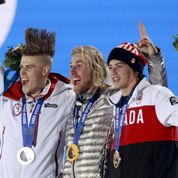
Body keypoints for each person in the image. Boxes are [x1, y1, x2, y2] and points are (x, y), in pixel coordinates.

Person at [0, 28, 75, 178]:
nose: (22, 73)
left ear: (44, 71)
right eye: (21, 67)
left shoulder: (66, 97)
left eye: (29, 67)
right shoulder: (7, 99)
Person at [107, 40, 178, 178]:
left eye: (119, 66)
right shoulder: (113, 107)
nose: (113, 72)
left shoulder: (156, 95)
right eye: (110, 67)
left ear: (135, 68)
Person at [61, 45, 115, 178]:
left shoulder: (111, 97)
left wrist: (155, 59)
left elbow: (153, 95)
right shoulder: (70, 103)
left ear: (95, 68)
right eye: (71, 66)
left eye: (79, 66)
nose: (72, 72)